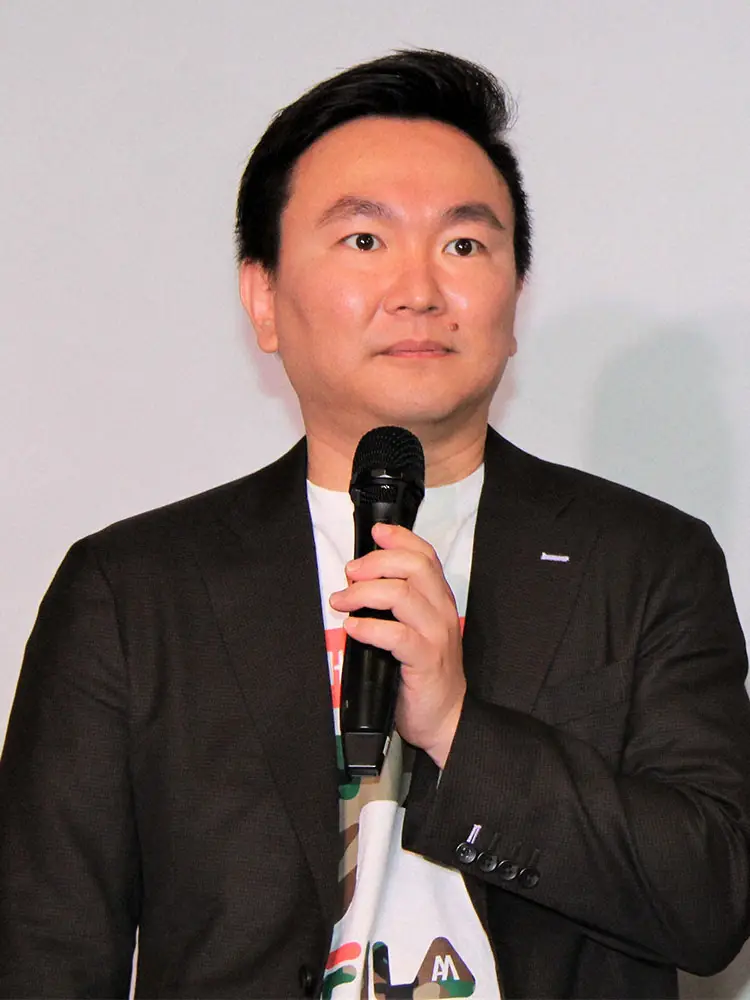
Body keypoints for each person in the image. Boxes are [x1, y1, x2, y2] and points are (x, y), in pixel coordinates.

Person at [1, 49, 749, 1000]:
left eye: (464, 246)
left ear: (516, 297)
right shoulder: (133, 592)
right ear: (264, 299)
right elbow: (46, 950)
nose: (419, 290)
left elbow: (711, 901)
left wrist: (459, 729)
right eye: (364, 240)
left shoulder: (643, 562)